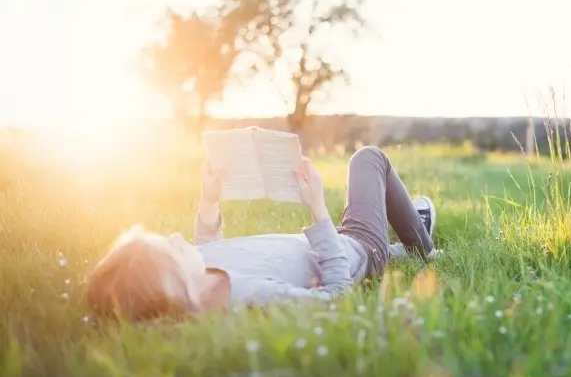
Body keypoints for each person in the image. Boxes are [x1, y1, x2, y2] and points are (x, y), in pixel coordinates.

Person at [84, 146, 439, 322]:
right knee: (368, 159)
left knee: (362, 197)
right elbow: (336, 299)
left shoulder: (199, 276)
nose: (178, 238)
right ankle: (421, 244)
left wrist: (208, 201)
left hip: (325, 244)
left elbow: (207, 250)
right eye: (173, 250)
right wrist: (317, 208)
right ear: (178, 286)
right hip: (356, 251)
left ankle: (403, 242)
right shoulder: (249, 296)